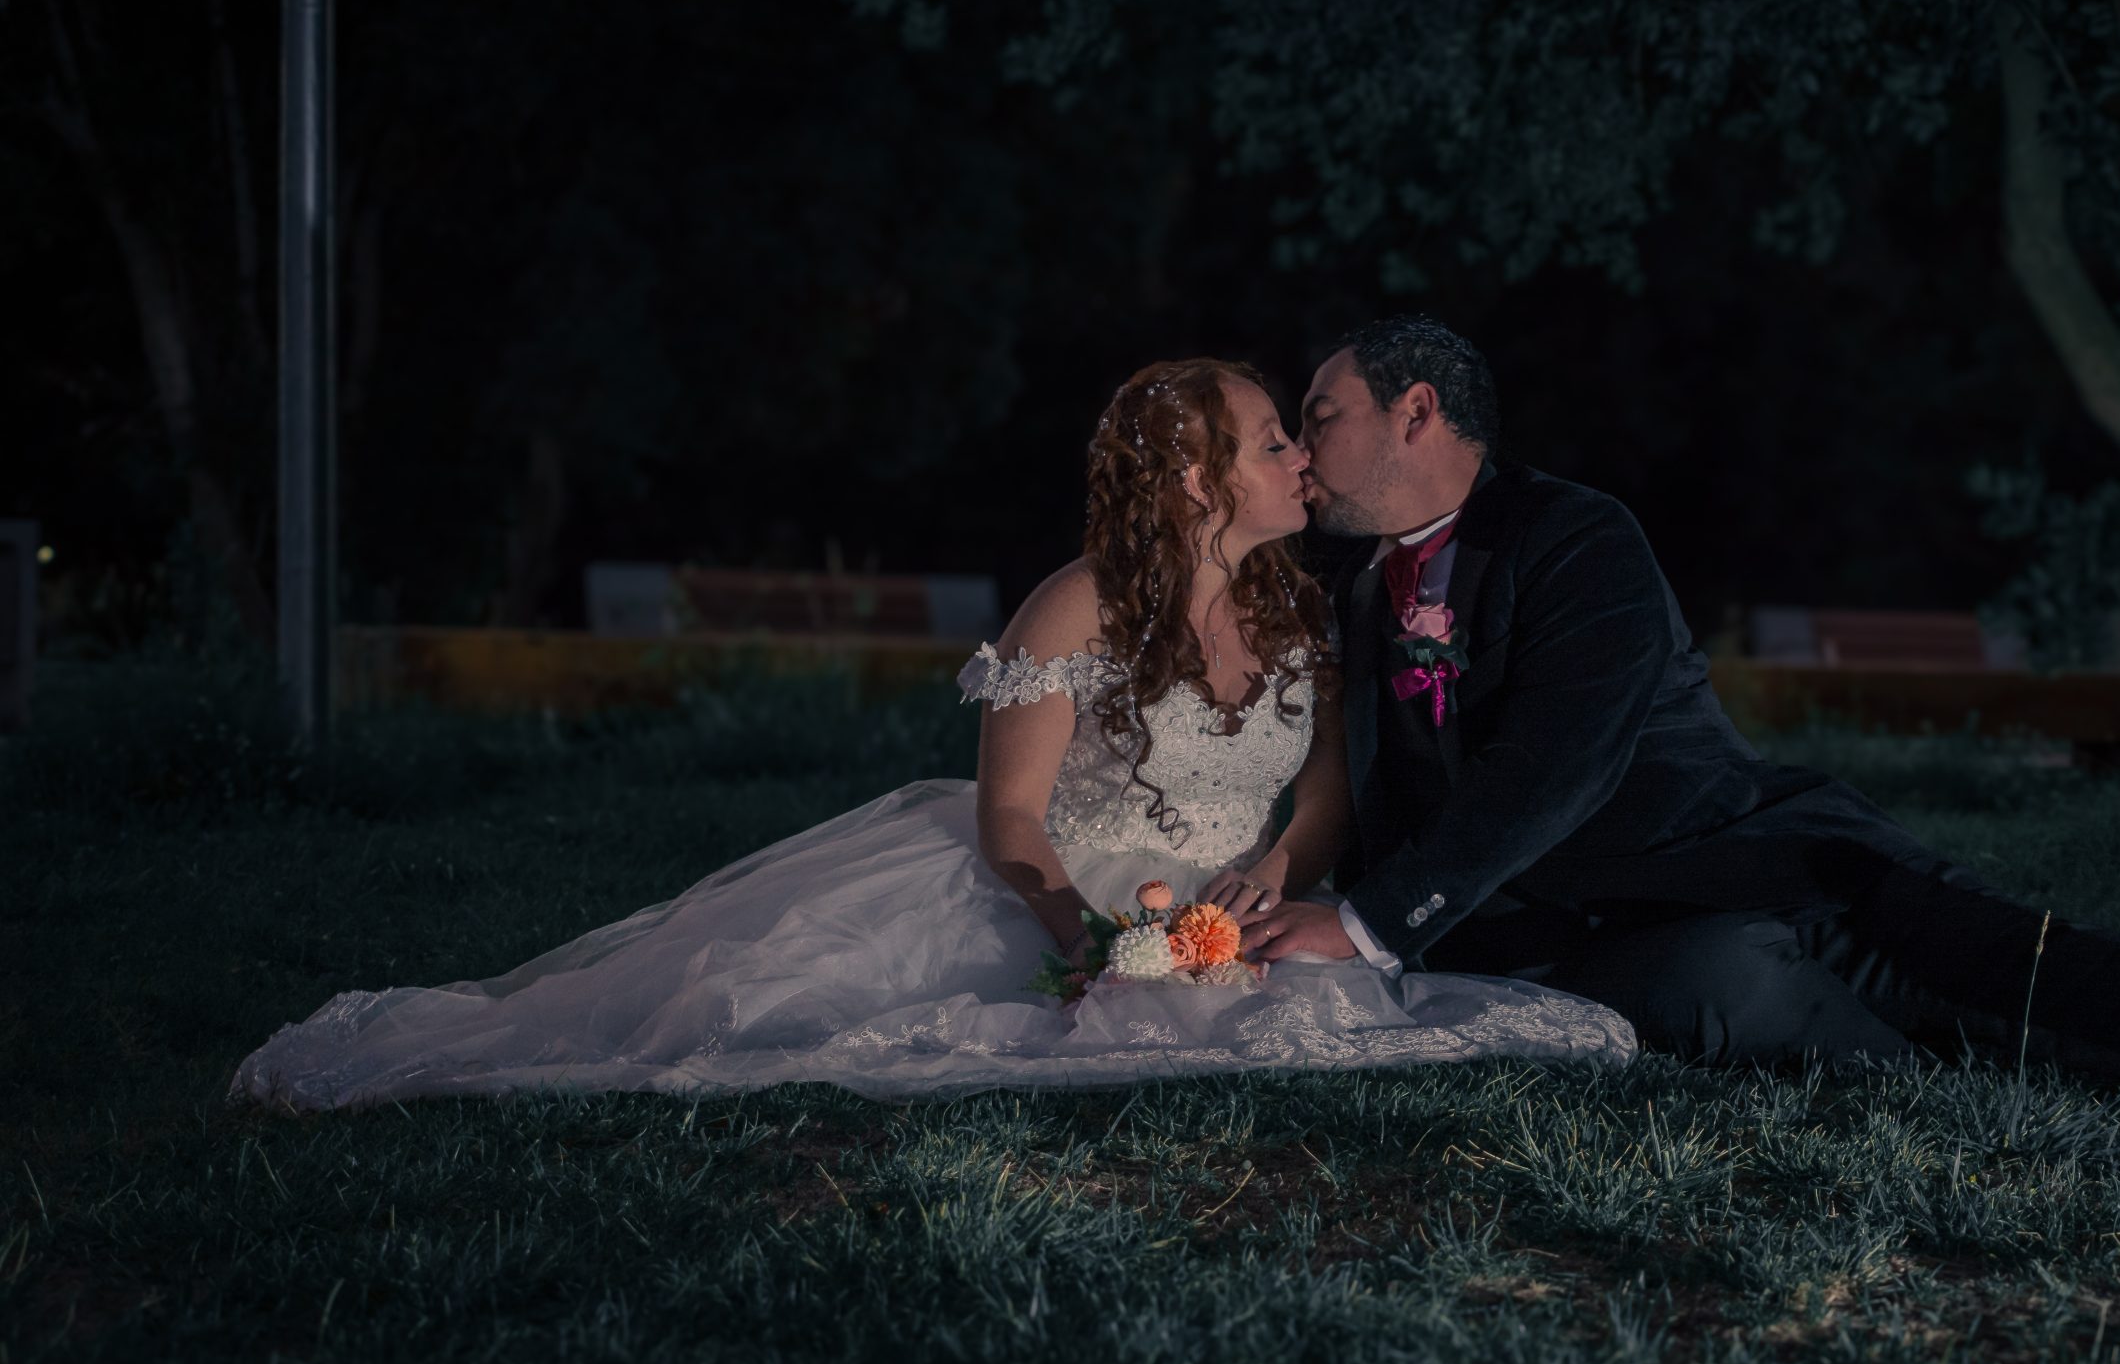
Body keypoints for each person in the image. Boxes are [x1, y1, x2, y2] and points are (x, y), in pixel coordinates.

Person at [227, 359, 1634, 1110]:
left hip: (1224, 910)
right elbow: (1011, 818)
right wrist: (1095, 934)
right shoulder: (1075, 606)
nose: (1302, 460)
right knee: (794, 1025)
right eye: (1275, 439)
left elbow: (1322, 797)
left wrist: (1275, 874)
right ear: (1201, 474)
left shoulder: (1307, 608)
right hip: (1057, 890)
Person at [1235, 316, 2120, 1126]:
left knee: (1946, 941)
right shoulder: (1350, 593)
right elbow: (1364, 783)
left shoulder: (1576, 537)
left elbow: (1557, 760)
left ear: (1414, 410)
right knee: (1782, 993)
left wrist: (1375, 922)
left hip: (1738, 846)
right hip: (1579, 929)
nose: (1300, 450)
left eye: (1320, 418)